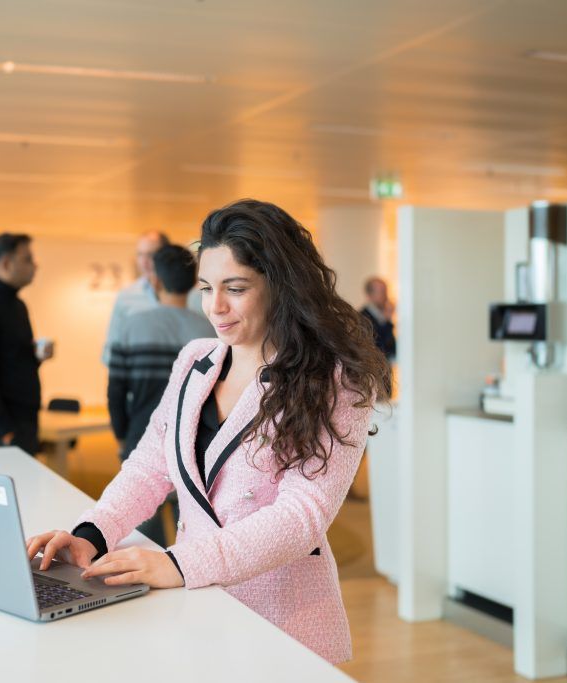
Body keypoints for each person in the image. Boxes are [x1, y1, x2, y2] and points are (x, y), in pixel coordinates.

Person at [26, 199, 389, 664]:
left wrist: (178, 564)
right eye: (206, 288)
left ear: (281, 287)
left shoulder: (336, 381)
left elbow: (302, 517)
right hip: (195, 608)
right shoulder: (195, 360)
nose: (215, 308)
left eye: (235, 289)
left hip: (282, 623)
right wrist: (94, 532)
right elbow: (150, 465)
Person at [107, 244, 214, 544]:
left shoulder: (132, 326)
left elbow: (116, 390)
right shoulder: (209, 329)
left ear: (155, 279)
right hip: (199, 441)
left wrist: (120, 435)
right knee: (196, 523)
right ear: (195, 281)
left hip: (141, 434)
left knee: (142, 524)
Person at [0, 233, 53, 454]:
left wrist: (36, 357)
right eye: (27, 259)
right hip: (3, 425)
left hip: (25, 419)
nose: (35, 265)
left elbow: (16, 363)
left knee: (26, 488)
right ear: (5, 263)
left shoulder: (19, 306)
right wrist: (5, 431)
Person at [101, 230, 169, 365]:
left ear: (166, 255)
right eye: (140, 255)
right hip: (137, 377)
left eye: (151, 255)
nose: (144, 262)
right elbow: (111, 346)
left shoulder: (185, 295)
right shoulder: (126, 296)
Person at [360, 276, 396, 360]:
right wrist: (387, 323)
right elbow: (379, 347)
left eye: (386, 291)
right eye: (382, 292)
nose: (386, 296)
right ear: (370, 295)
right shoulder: (362, 318)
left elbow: (392, 349)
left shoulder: (383, 316)